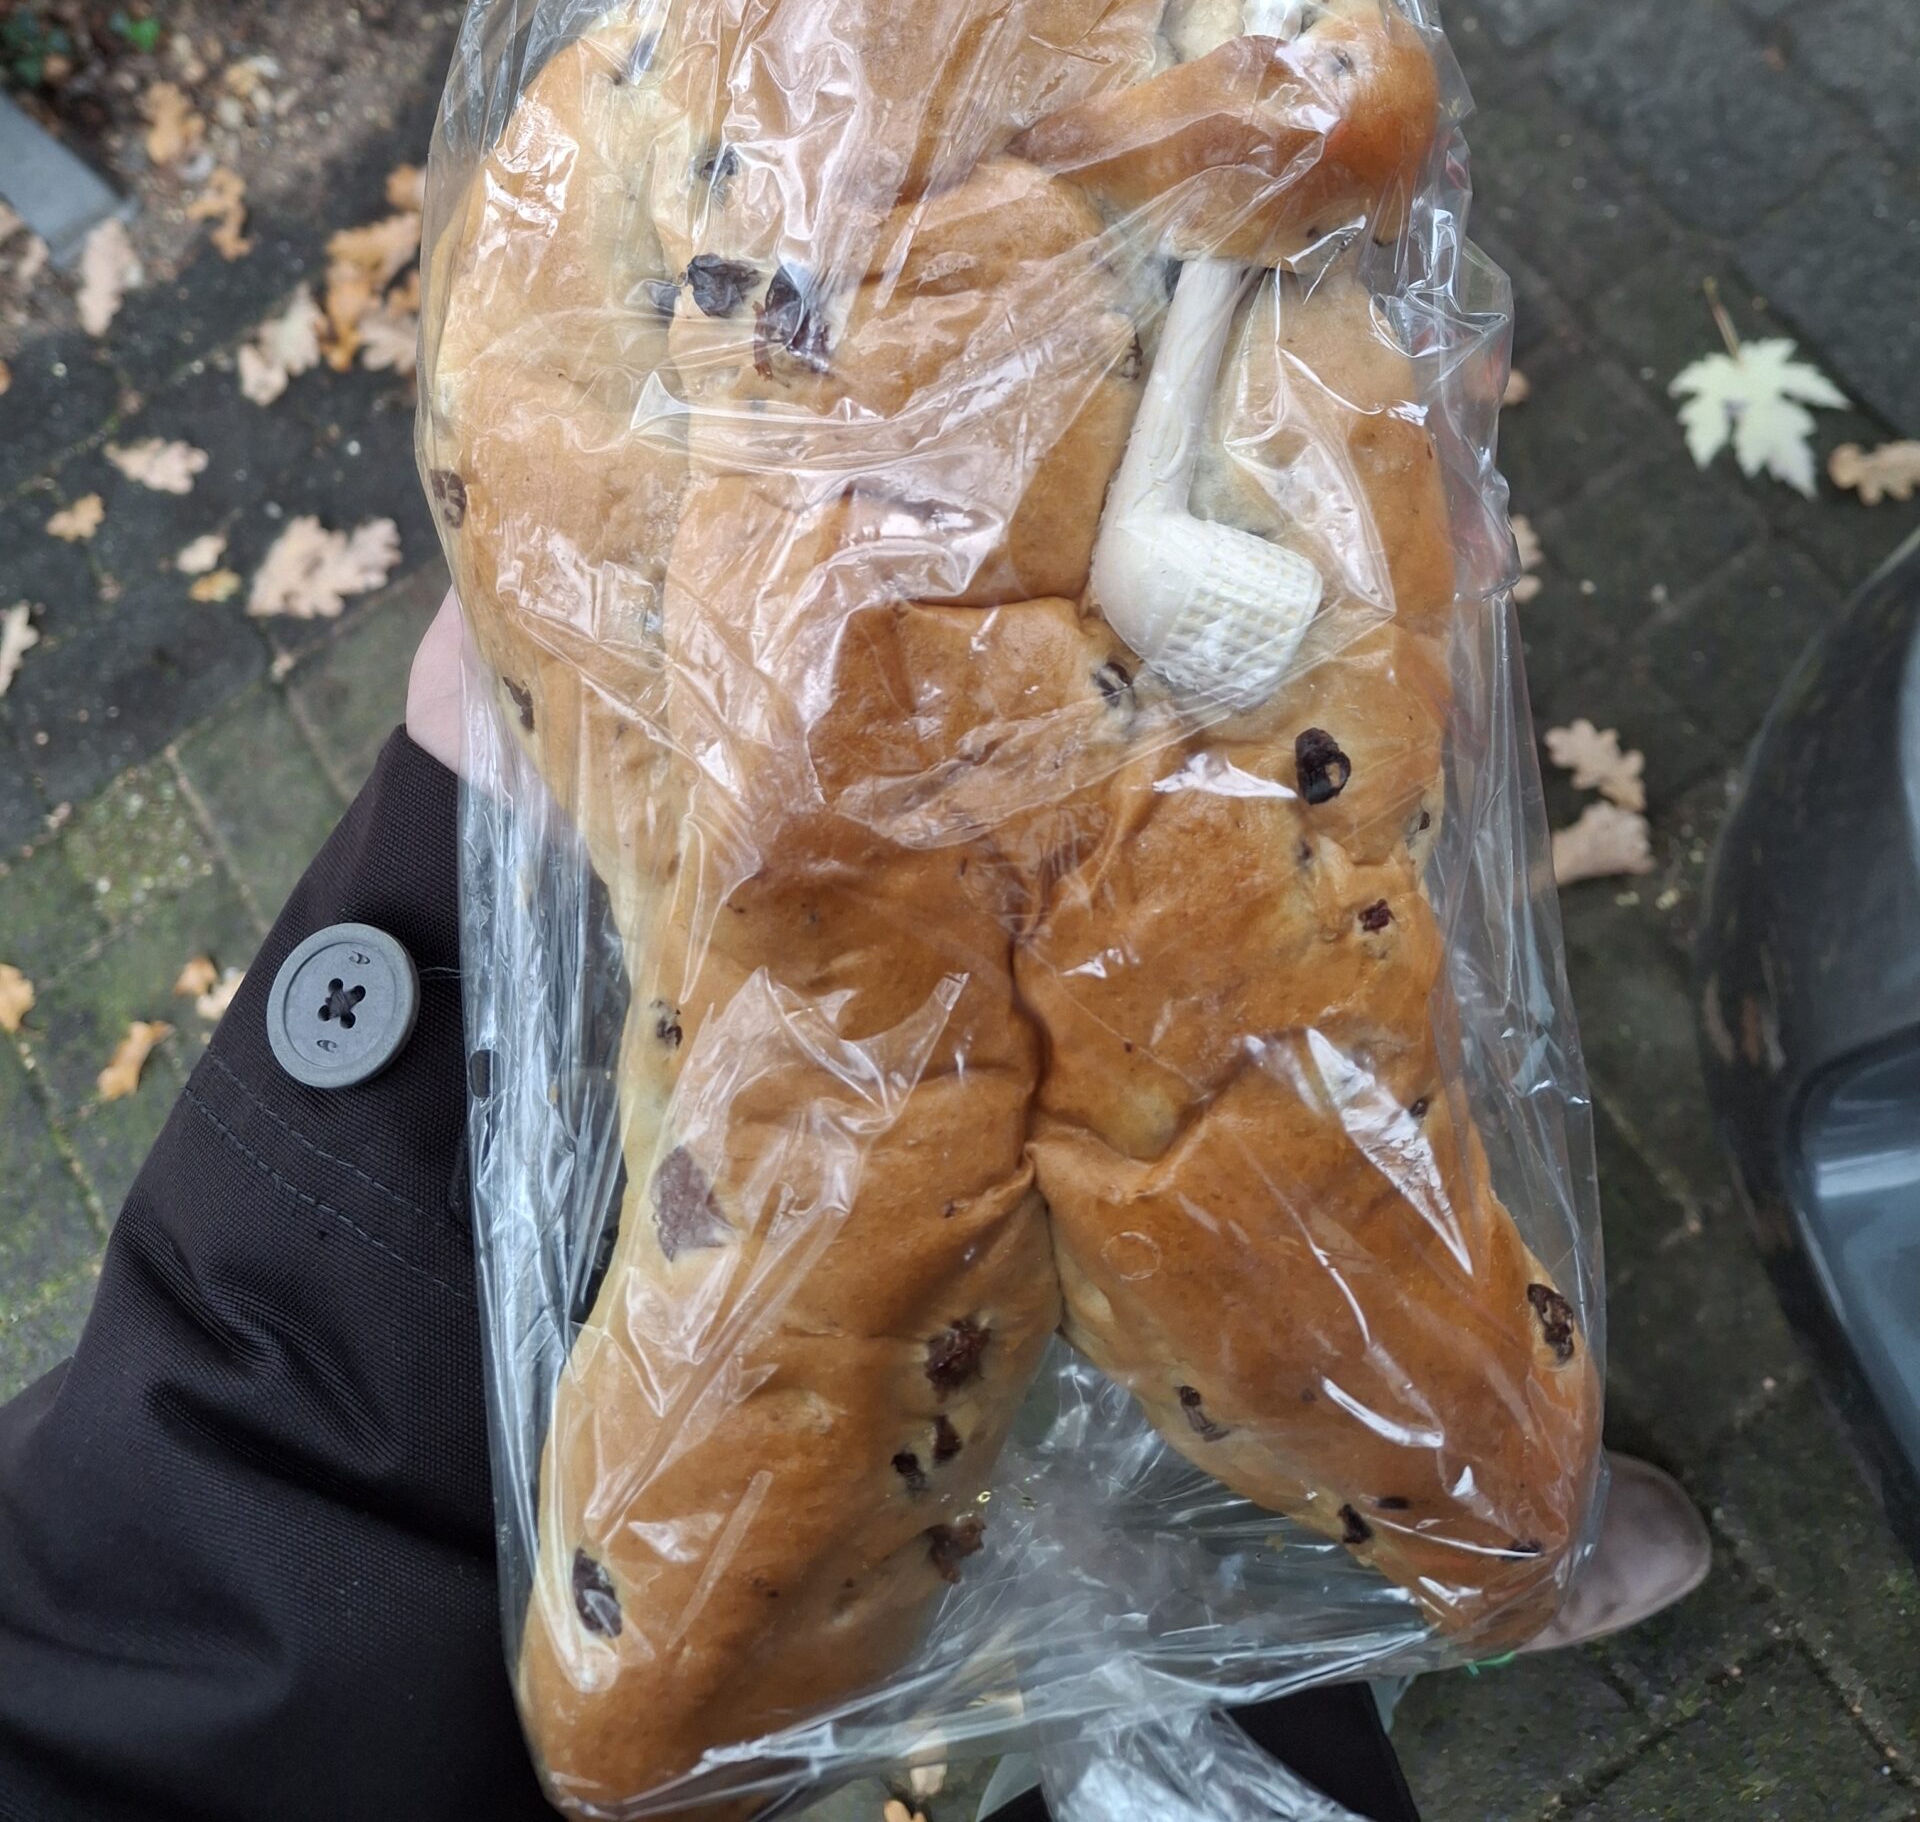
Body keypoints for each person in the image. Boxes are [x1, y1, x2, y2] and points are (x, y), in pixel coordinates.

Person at [0, 595, 1708, 1822]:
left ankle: (1406, 1539)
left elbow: (125, 1681)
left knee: (1212, 1268)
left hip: (297, 1568)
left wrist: (445, 932)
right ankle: (1352, 1587)